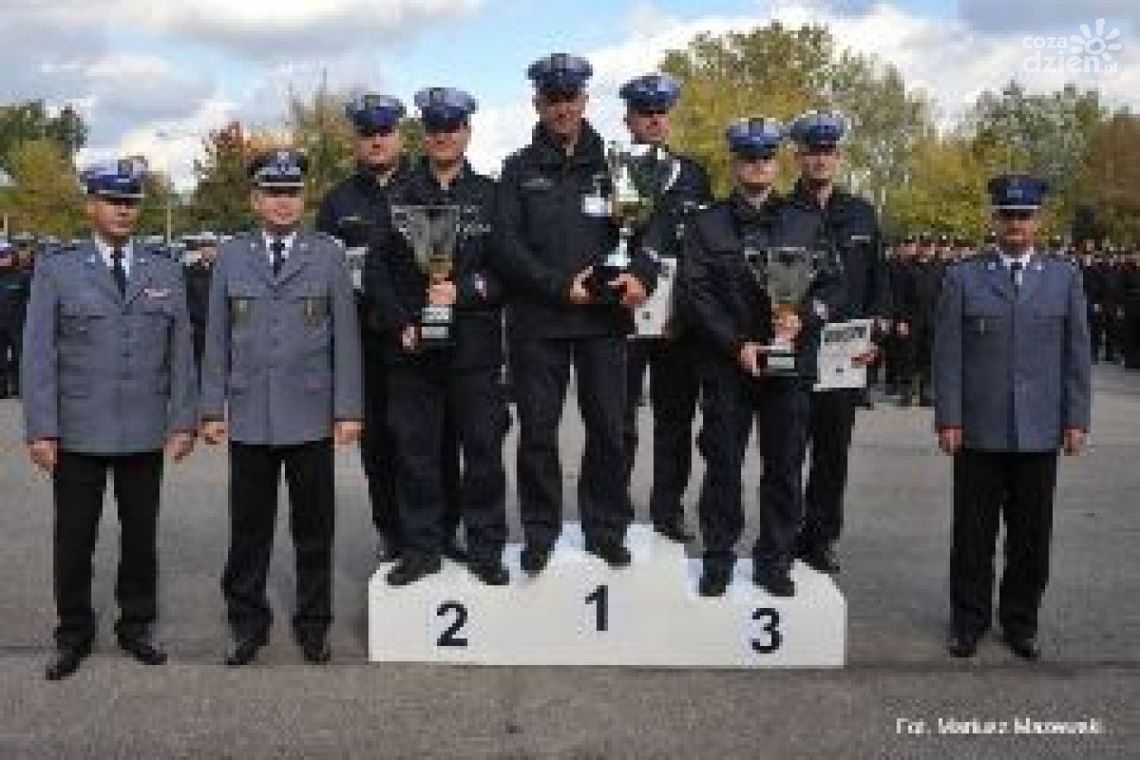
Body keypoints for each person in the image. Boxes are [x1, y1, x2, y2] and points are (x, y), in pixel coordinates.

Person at [21, 160, 197, 680]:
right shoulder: (58, 268)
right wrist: (41, 428)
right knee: (75, 537)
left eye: (130, 202)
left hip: (144, 427)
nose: (123, 211)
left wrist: (183, 419)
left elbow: (180, 348)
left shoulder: (163, 267)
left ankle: (136, 625)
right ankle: (72, 632)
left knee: (140, 535)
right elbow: (38, 354)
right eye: (112, 201)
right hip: (77, 428)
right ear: (91, 206)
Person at [494, 53, 658, 576]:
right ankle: (539, 534)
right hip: (539, 322)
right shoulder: (518, 168)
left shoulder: (616, 165)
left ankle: (605, 528)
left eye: (571, 98)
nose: (562, 107)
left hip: (603, 323)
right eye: (552, 99)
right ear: (537, 103)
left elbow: (647, 235)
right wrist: (559, 287)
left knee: (609, 430)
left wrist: (641, 276)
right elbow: (506, 246)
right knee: (538, 434)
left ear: (585, 101)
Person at [200, 149, 363, 666]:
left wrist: (348, 409)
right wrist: (210, 408)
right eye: (273, 193)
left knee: (314, 529)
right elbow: (217, 340)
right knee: (248, 529)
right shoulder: (232, 255)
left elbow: (346, 341)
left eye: (291, 193)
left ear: (303, 198)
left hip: (311, 413)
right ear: (255, 199)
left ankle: (314, 624)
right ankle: (247, 622)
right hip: (250, 416)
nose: (283, 202)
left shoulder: (327, 255)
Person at [934, 174, 1091, 660]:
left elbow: (1076, 355)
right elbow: (948, 355)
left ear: (1038, 220)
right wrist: (949, 418)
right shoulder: (964, 277)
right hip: (978, 428)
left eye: (1024, 216)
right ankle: (969, 621)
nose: (1016, 225)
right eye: (1007, 215)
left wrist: (1075, 418)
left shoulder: (1065, 278)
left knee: (1031, 537)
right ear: (994, 219)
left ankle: (1021, 621)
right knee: (972, 536)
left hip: (1041, 429)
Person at [685, 118, 842, 597]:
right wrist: (738, 345)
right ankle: (718, 557)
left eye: (765, 158)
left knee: (784, 467)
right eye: (748, 158)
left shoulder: (805, 220)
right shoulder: (706, 223)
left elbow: (834, 285)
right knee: (723, 466)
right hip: (729, 365)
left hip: (788, 368)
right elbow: (695, 295)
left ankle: (774, 559)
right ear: (734, 164)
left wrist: (805, 319)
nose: (757, 167)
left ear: (777, 163)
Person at [373, 87, 510, 587]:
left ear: (467, 132)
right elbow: (379, 272)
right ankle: (421, 548)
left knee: (482, 454)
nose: (443, 136)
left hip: (474, 350)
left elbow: (505, 273)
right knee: (416, 455)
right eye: (434, 129)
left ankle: (486, 547)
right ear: (423, 135)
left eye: (452, 128)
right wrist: (401, 324)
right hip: (413, 350)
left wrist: (465, 293)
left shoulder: (492, 196)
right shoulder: (398, 197)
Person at [782, 111, 889, 576]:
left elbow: (878, 282)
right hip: (797, 343)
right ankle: (782, 534)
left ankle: (820, 537)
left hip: (846, 351)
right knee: (786, 448)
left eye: (827, 151)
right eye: (811, 151)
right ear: (799, 156)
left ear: (839, 156)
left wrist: (878, 334)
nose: (820, 159)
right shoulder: (783, 212)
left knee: (832, 453)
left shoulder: (861, 213)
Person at [617, 72, 712, 544]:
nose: (654, 120)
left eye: (661, 113)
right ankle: (613, 506)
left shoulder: (694, 175)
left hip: (679, 319)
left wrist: (689, 309)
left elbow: (704, 249)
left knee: (674, 421)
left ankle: (667, 510)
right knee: (618, 419)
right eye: (644, 112)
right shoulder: (611, 169)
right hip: (624, 313)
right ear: (629, 118)